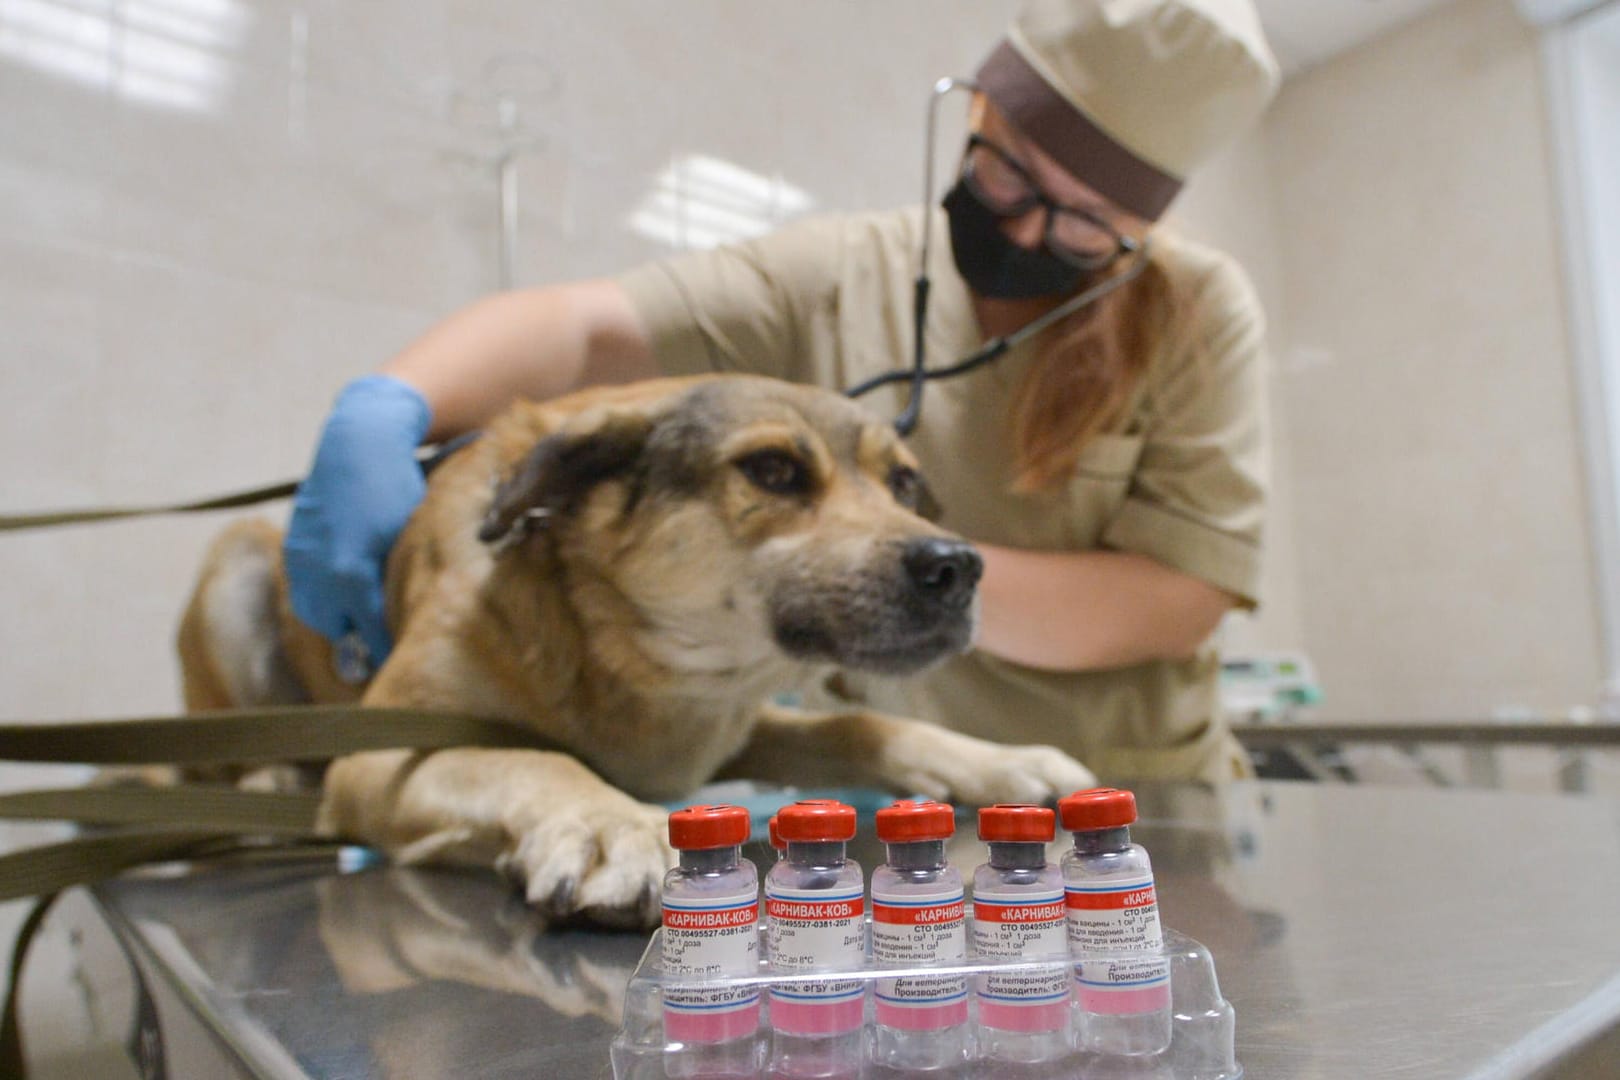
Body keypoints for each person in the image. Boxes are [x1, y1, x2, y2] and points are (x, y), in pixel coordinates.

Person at [284, 0, 1281, 785]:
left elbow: (1180, 597)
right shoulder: (849, 267)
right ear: (976, 110)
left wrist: (893, 567)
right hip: (888, 792)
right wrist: (390, 404)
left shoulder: (1197, 310)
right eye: (1011, 179)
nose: (1024, 235)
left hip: (1125, 794)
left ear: (1140, 237)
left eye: (1082, 227)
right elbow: (583, 328)